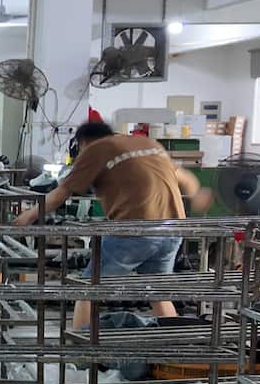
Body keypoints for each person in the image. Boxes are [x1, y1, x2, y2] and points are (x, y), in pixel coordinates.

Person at [14, 120, 212, 329]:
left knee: (88, 289)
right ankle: (173, 349)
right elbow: (188, 179)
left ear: (84, 143)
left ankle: (82, 349)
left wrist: (28, 216)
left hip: (134, 229)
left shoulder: (97, 148)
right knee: (156, 292)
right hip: (172, 230)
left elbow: (62, 193)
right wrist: (198, 196)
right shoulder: (148, 144)